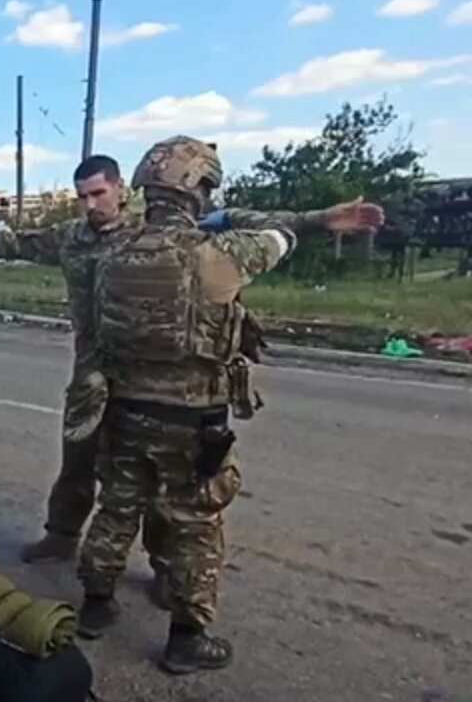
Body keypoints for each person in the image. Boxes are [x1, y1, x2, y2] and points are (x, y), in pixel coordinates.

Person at [75, 136, 384, 674]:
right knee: (196, 525)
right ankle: (187, 638)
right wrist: (314, 218)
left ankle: (96, 606)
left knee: (117, 508)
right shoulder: (221, 253)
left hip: (124, 409)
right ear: (198, 188)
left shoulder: (111, 252)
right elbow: (277, 234)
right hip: (191, 420)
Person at [22, 155, 172, 601]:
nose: (90, 204)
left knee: (152, 473)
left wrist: (318, 221)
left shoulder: (153, 235)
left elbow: (225, 229)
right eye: (82, 196)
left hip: (144, 376)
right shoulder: (72, 237)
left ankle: (166, 567)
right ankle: (61, 535)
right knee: (78, 457)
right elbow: (19, 242)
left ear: (120, 189)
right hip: (90, 371)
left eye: (98, 193)